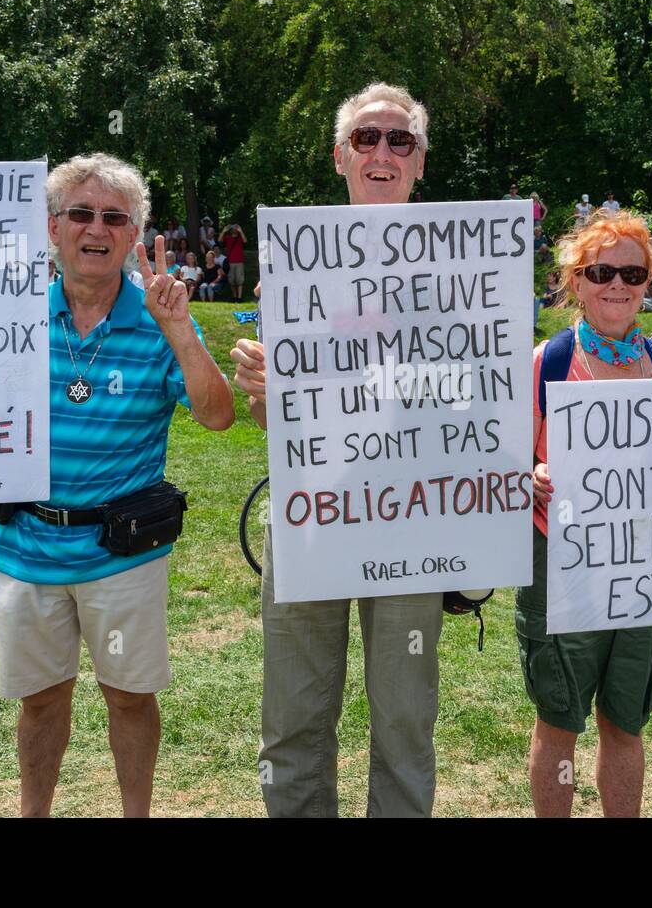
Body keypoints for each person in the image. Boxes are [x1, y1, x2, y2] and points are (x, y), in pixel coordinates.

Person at [0, 153, 235, 817]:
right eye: (80, 213)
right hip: (27, 545)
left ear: (134, 235)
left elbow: (218, 416)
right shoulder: (4, 319)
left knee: (129, 696)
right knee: (41, 698)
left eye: (113, 217)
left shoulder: (158, 322)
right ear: (52, 227)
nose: (94, 228)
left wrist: (182, 330)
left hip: (122, 552)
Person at [230, 81, 445, 818]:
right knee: (291, 714)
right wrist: (264, 383)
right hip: (312, 514)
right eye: (366, 138)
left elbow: (481, 406)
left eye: (399, 141)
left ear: (420, 162)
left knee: (406, 717)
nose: (381, 152)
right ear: (339, 156)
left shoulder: (462, 268)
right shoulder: (298, 263)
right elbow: (269, 420)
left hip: (416, 520)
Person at [525, 209, 652, 817]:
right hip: (564, 566)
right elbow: (501, 463)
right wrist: (529, 477)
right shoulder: (547, 362)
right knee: (559, 717)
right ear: (576, 281)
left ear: (650, 280)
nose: (617, 283)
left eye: (633, 271)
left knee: (626, 719)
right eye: (600, 271)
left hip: (648, 568)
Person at [219, 221, 247, 301]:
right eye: (233, 228)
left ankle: (239, 297)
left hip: (239, 262)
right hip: (230, 262)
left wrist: (240, 231)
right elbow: (219, 240)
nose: (234, 229)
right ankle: (234, 297)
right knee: (232, 280)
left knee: (239, 280)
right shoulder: (228, 238)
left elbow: (245, 241)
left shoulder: (240, 237)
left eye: (236, 227)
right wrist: (224, 231)